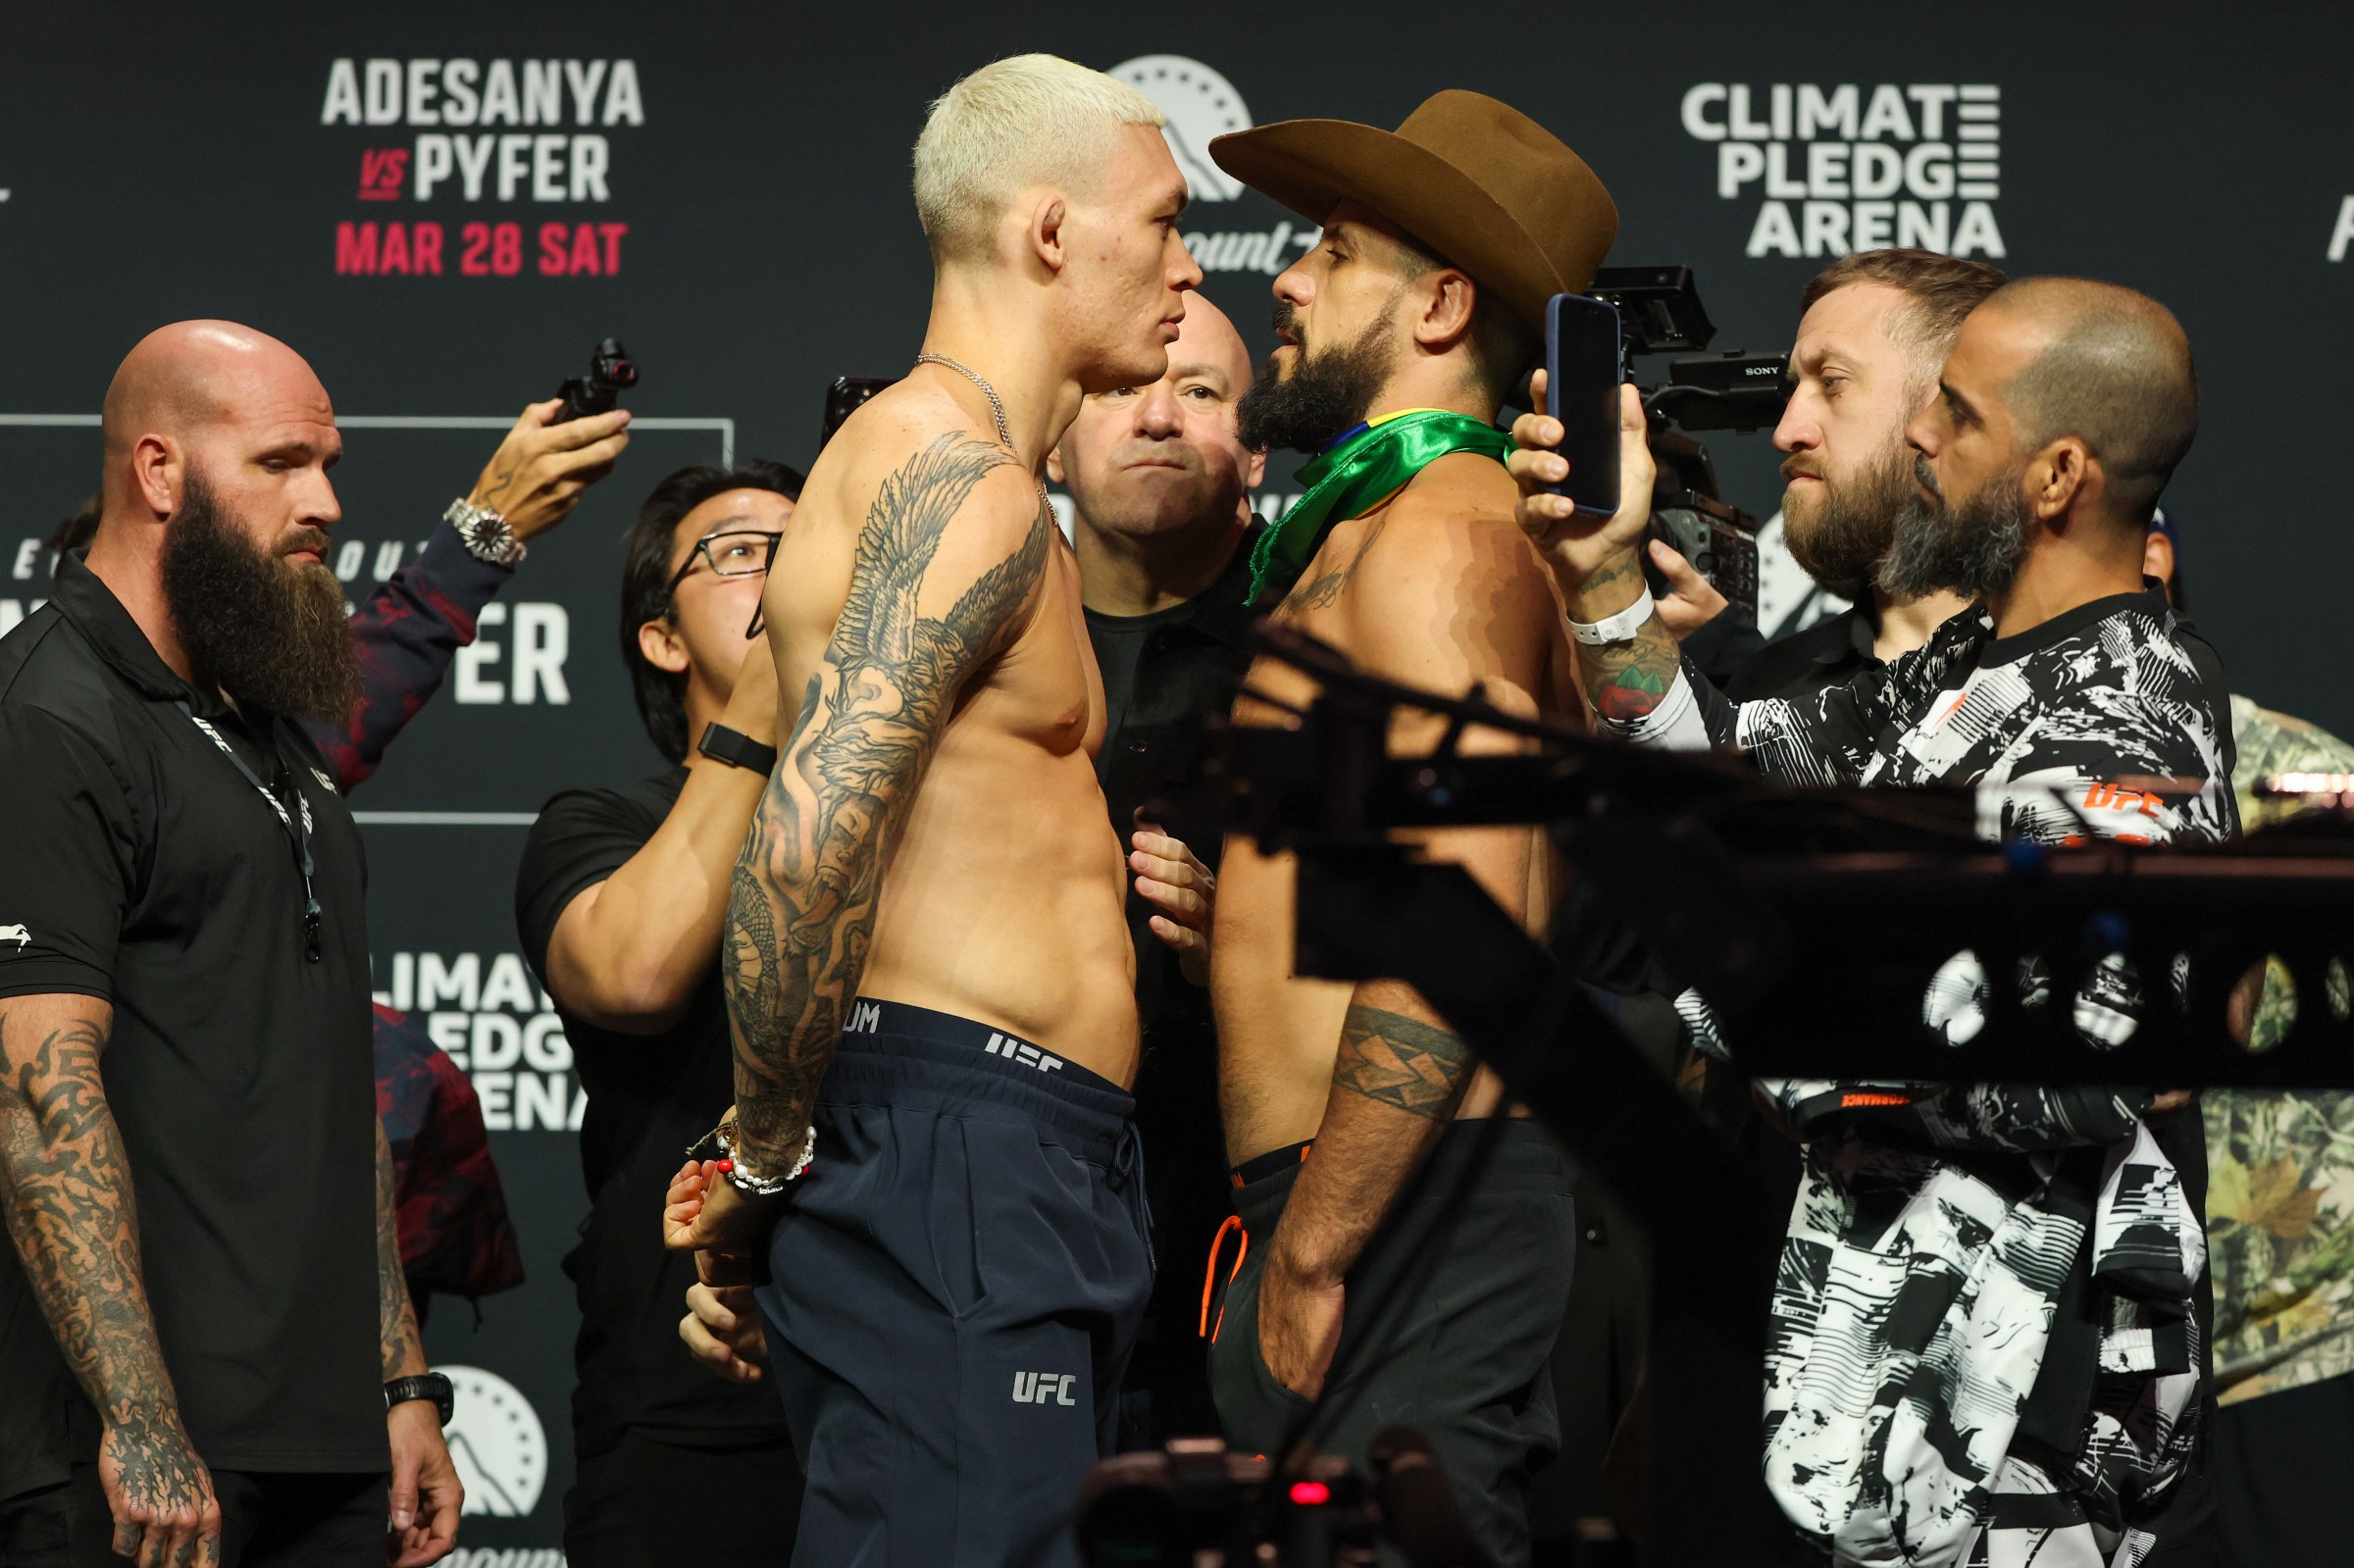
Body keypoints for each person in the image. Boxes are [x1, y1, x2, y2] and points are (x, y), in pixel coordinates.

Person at [1512, 278, 2230, 1564]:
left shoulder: (2122, 722)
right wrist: (1607, 583)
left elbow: (2031, 1076)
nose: (1917, 437)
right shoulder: (1962, 680)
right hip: (1863, 1417)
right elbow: (1725, 775)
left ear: (2059, 472)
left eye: (1954, 411)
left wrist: (1754, 974)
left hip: (2005, 1449)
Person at [661, 54, 1200, 1568]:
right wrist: (770, 1157)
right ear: (1048, 232)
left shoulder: (987, 482)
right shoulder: (953, 477)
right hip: (957, 1148)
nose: (1185, 260)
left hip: (1016, 1150)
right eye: (1158, 222)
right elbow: (812, 834)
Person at [1196, 90, 1612, 1566]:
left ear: (1441, 302)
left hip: (1394, 1211)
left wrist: (1318, 1242)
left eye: (1331, 250)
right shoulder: (1379, 531)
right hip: (1359, 1196)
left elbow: (1473, 876)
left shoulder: (1443, 524)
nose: (1285, 280)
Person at [0, 322, 476, 1567]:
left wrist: (400, 1383)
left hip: (321, 1446)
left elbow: (327, 1088)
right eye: (280, 463)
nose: (325, 502)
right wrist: (142, 1420)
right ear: (159, 473)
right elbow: (38, 1096)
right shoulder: (49, 716)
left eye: (328, 463)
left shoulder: (268, 732)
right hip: (137, 1461)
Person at [513, 460, 811, 1566]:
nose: (783, 571)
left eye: (807, 543)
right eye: (740, 553)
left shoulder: (923, 830)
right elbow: (635, 976)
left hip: (893, 1375)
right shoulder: (599, 824)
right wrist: (763, 711)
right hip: (687, 1401)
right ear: (662, 639)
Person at [1048, 290, 1261, 1442]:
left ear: (1258, 449)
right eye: (1123, 387)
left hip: (1234, 1277)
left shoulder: (1328, 656)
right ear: (1054, 436)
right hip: (1002, 1265)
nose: (1159, 418)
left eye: (1201, 392)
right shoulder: (975, 651)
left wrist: (1252, 951)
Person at [2136, 515, 2354, 1565]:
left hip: (2296, 1355)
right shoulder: (2003, 797)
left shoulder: (2303, 777)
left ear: (2151, 561)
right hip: (2107, 1371)